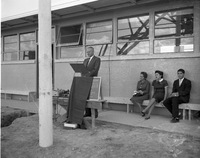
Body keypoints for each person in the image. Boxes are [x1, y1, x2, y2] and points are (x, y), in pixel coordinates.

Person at [83, 46, 101, 118]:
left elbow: (95, 70)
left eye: (89, 52)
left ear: (93, 51)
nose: (87, 53)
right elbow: (83, 69)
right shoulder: (85, 60)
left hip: (93, 79)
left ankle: (95, 113)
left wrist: (87, 74)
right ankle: (87, 112)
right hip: (85, 80)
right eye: (87, 52)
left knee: (92, 97)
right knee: (85, 96)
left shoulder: (97, 59)